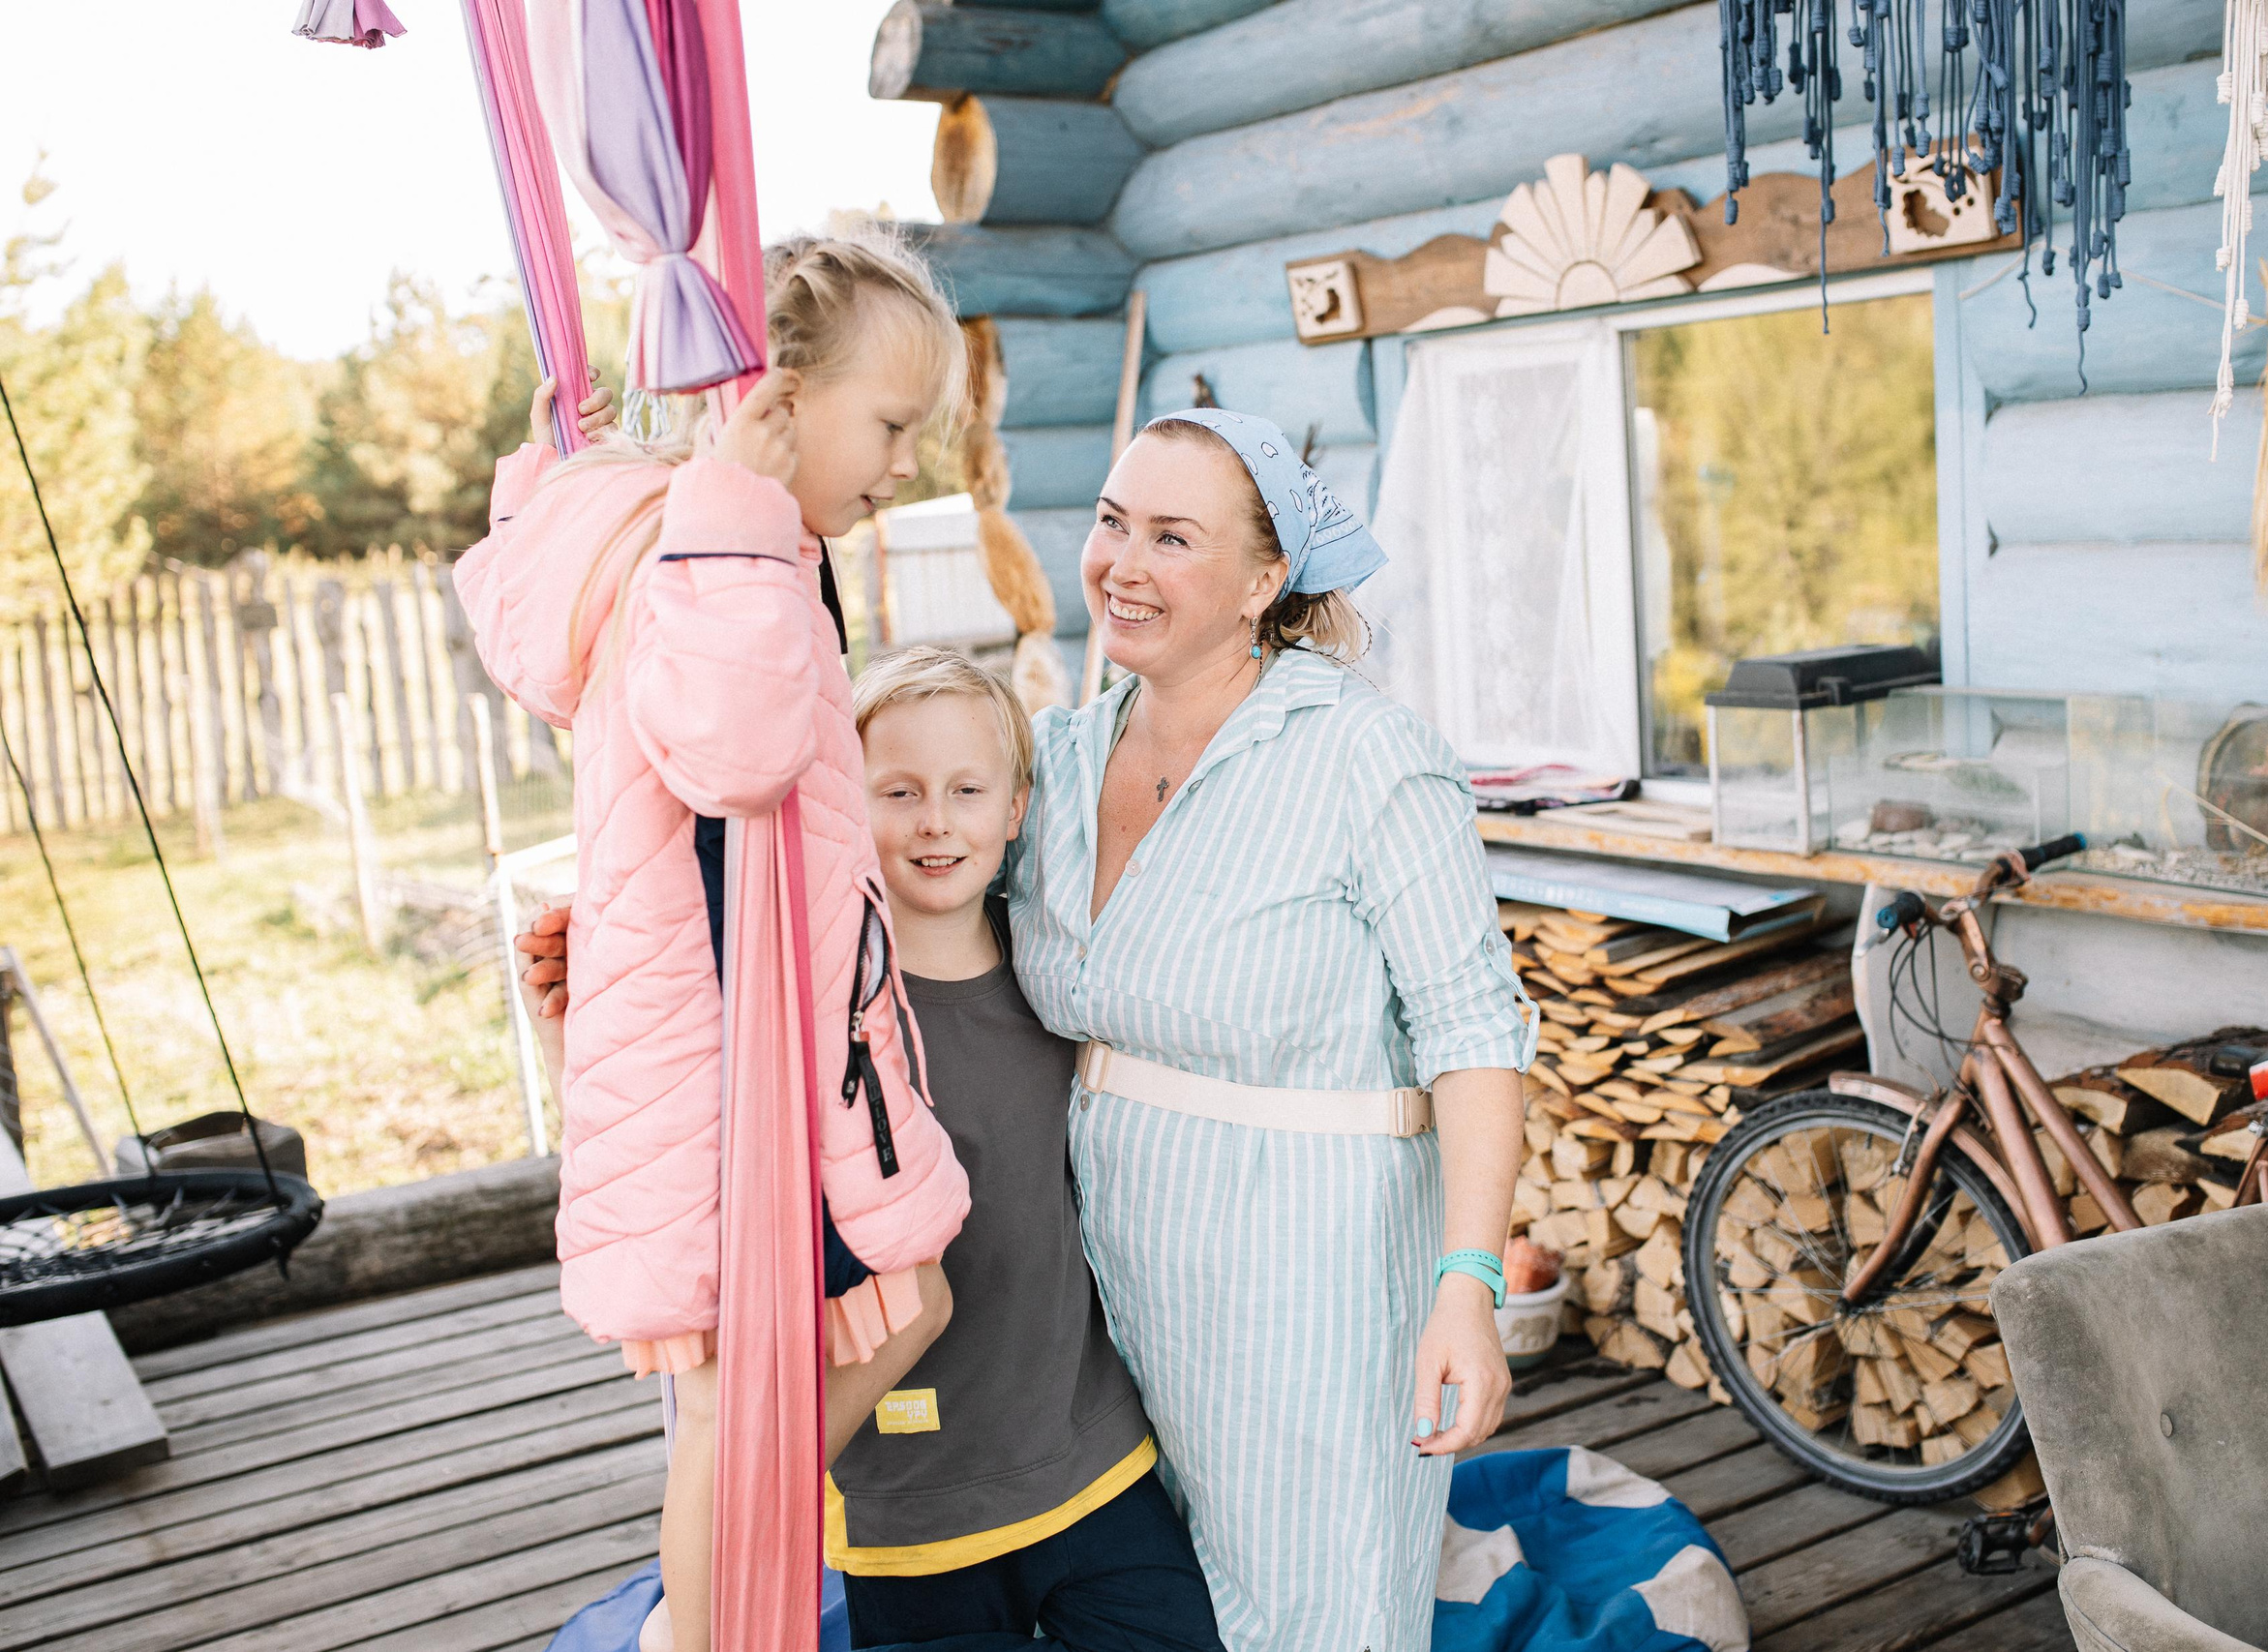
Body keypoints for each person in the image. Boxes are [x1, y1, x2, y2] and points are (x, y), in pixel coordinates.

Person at [458, 227, 976, 1652]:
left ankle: (722, 1576)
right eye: (888, 423)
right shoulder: (716, 544)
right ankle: (695, 1628)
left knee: (859, 1331)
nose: (906, 461)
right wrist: (742, 510)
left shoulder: (730, 540)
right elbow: (739, 752)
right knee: (736, 1412)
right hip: (725, 1064)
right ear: (778, 399)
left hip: (772, 1034)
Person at [1008, 409, 1535, 1651]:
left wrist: (1469, 1287)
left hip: (1314, 1281)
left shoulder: (1370, 759)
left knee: (1314, 1616)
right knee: (1155, 1611)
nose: (1122, 564)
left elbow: (1473, 1034)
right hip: (1104, 1281)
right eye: (1111, 521)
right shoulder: (1058, 759)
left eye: (1172, 537)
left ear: (1262, 582)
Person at [816, 644, 1224, 1650]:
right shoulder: (824, 1020)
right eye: (897, 791)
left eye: (965, 789)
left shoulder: (1064, 977)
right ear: (845, 807)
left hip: (1089, 1459)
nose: (933, 821)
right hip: (907, 1504)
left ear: (1014, 809)